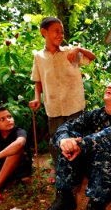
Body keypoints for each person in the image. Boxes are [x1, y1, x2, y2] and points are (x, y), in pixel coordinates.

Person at [34, 83, 111, 210]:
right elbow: (65, 127)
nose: (109, 86)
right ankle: (64, 199)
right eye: (108, 85)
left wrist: (81, 144)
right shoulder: (95, 114)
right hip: (90, 167)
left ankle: (96, 205)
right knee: (68, 142)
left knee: (105, 150)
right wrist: (64, 140)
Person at [29, 17, 96, 182]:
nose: (60, 35)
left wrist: (79, 48)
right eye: (56, 31)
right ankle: (58, 167)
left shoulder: (70, 52)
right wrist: (37, 98)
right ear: (43, 32)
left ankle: (80, 169)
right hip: (53, 105)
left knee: (77, 136)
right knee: (56, 138)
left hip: (74, 103)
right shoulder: (39, 57)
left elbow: (92, 57)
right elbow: (38, 80)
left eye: (62, 31)